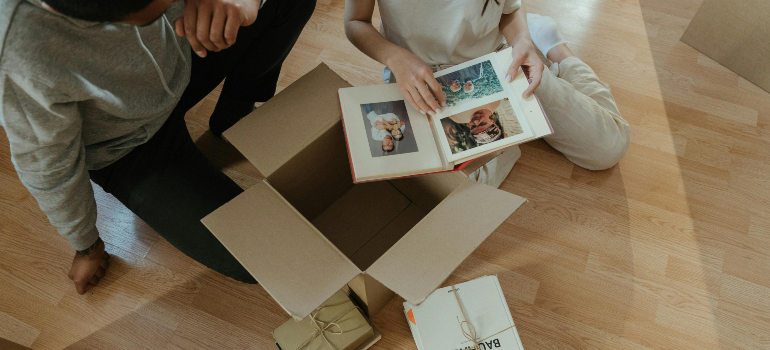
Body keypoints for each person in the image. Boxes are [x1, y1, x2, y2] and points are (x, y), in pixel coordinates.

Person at [0, 0, 316, 294]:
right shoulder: (20, 49)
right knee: (263, 257)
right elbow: (47, 166)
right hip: (126, 145)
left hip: (185, 55)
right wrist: (86, 244)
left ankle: (235, 113)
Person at [344, 1, 631, 183]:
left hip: (497, 61)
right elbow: (355, 22)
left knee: (608, 148)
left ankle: (556, 49)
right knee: (457, 191)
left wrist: (522, 40)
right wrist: (394, 57)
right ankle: (510, 135)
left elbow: (510, 8)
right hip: (419, 76)